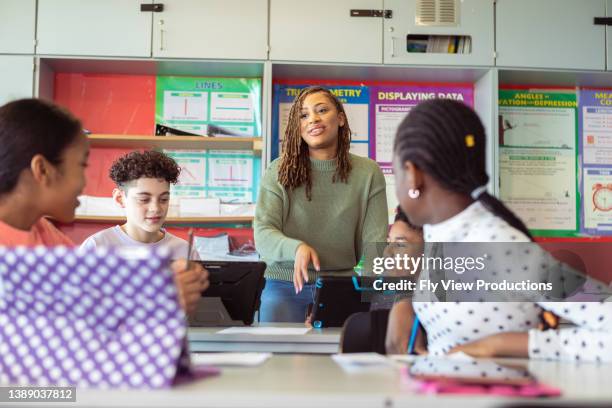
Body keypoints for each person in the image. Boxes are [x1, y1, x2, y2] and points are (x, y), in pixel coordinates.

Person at [385, 98, 611, 362]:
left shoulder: (497, 245)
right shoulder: (440, 231)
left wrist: (503, 344)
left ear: (412, 175)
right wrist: (403, 303)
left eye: (395, 172)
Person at [0, 99, 208, 314]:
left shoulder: (43, 233)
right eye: (81, 166)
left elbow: (86, 307)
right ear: (42, 170)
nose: (83, 182)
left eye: (163, 198)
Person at [255, 86, 388, 322]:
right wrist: (296, 248)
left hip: (342, 285)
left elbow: (374, 244)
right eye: (303, 115)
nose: (313, 119)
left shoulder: (368, 172)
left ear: (340, 118)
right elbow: (263, 235)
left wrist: (373, 298)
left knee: (343, 355)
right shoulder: (278, 170)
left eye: (322, 110)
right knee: (276, 357)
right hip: (285, 283)